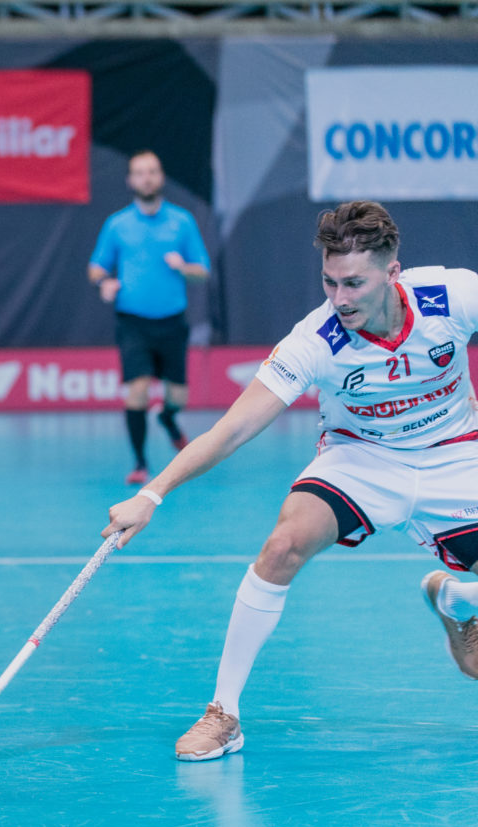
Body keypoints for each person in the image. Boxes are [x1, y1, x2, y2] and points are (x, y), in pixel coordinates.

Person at [103, 201, 478, 762]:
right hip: (361, 460)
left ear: (393, 273)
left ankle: (454, 596)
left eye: (354, 283)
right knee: (283, 543)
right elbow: (232, 430)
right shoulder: (315, 341)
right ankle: (223, 714)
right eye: (329, 282)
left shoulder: (453, 297)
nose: (340, 298)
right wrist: (151, 494)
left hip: (456, 458)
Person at [88, 150, 210, 485]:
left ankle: (169, 420)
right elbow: (96, 267)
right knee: (137, 391)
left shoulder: (182, 221)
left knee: (177, 398)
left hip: (172, 322)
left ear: (160, 177)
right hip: (133, 323)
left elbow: (202, 271)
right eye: (139, 172)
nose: (146, 177)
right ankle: (140, 463)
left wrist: (183, 267)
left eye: (152, 171)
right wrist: (105, 282)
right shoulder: (117, 224)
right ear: (130, 180)